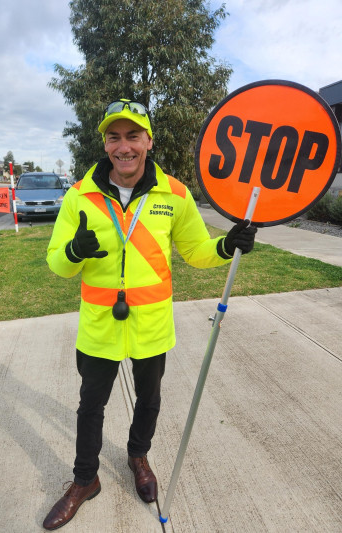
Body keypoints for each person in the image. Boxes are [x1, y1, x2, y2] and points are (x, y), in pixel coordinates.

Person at [43, 98, 257, 530]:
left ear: (148, 141)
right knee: (90, 407)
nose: (124, 146)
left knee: (150, 400)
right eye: (115, 137)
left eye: (133, 136)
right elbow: (56, 263)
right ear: (105, 144)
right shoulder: (79, 195)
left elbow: (196, 251)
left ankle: (138, 457)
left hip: (152, 324)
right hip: (100, 325)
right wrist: (73, 251)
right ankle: (85, 480)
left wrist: (226, 246)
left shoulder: (174, 195)